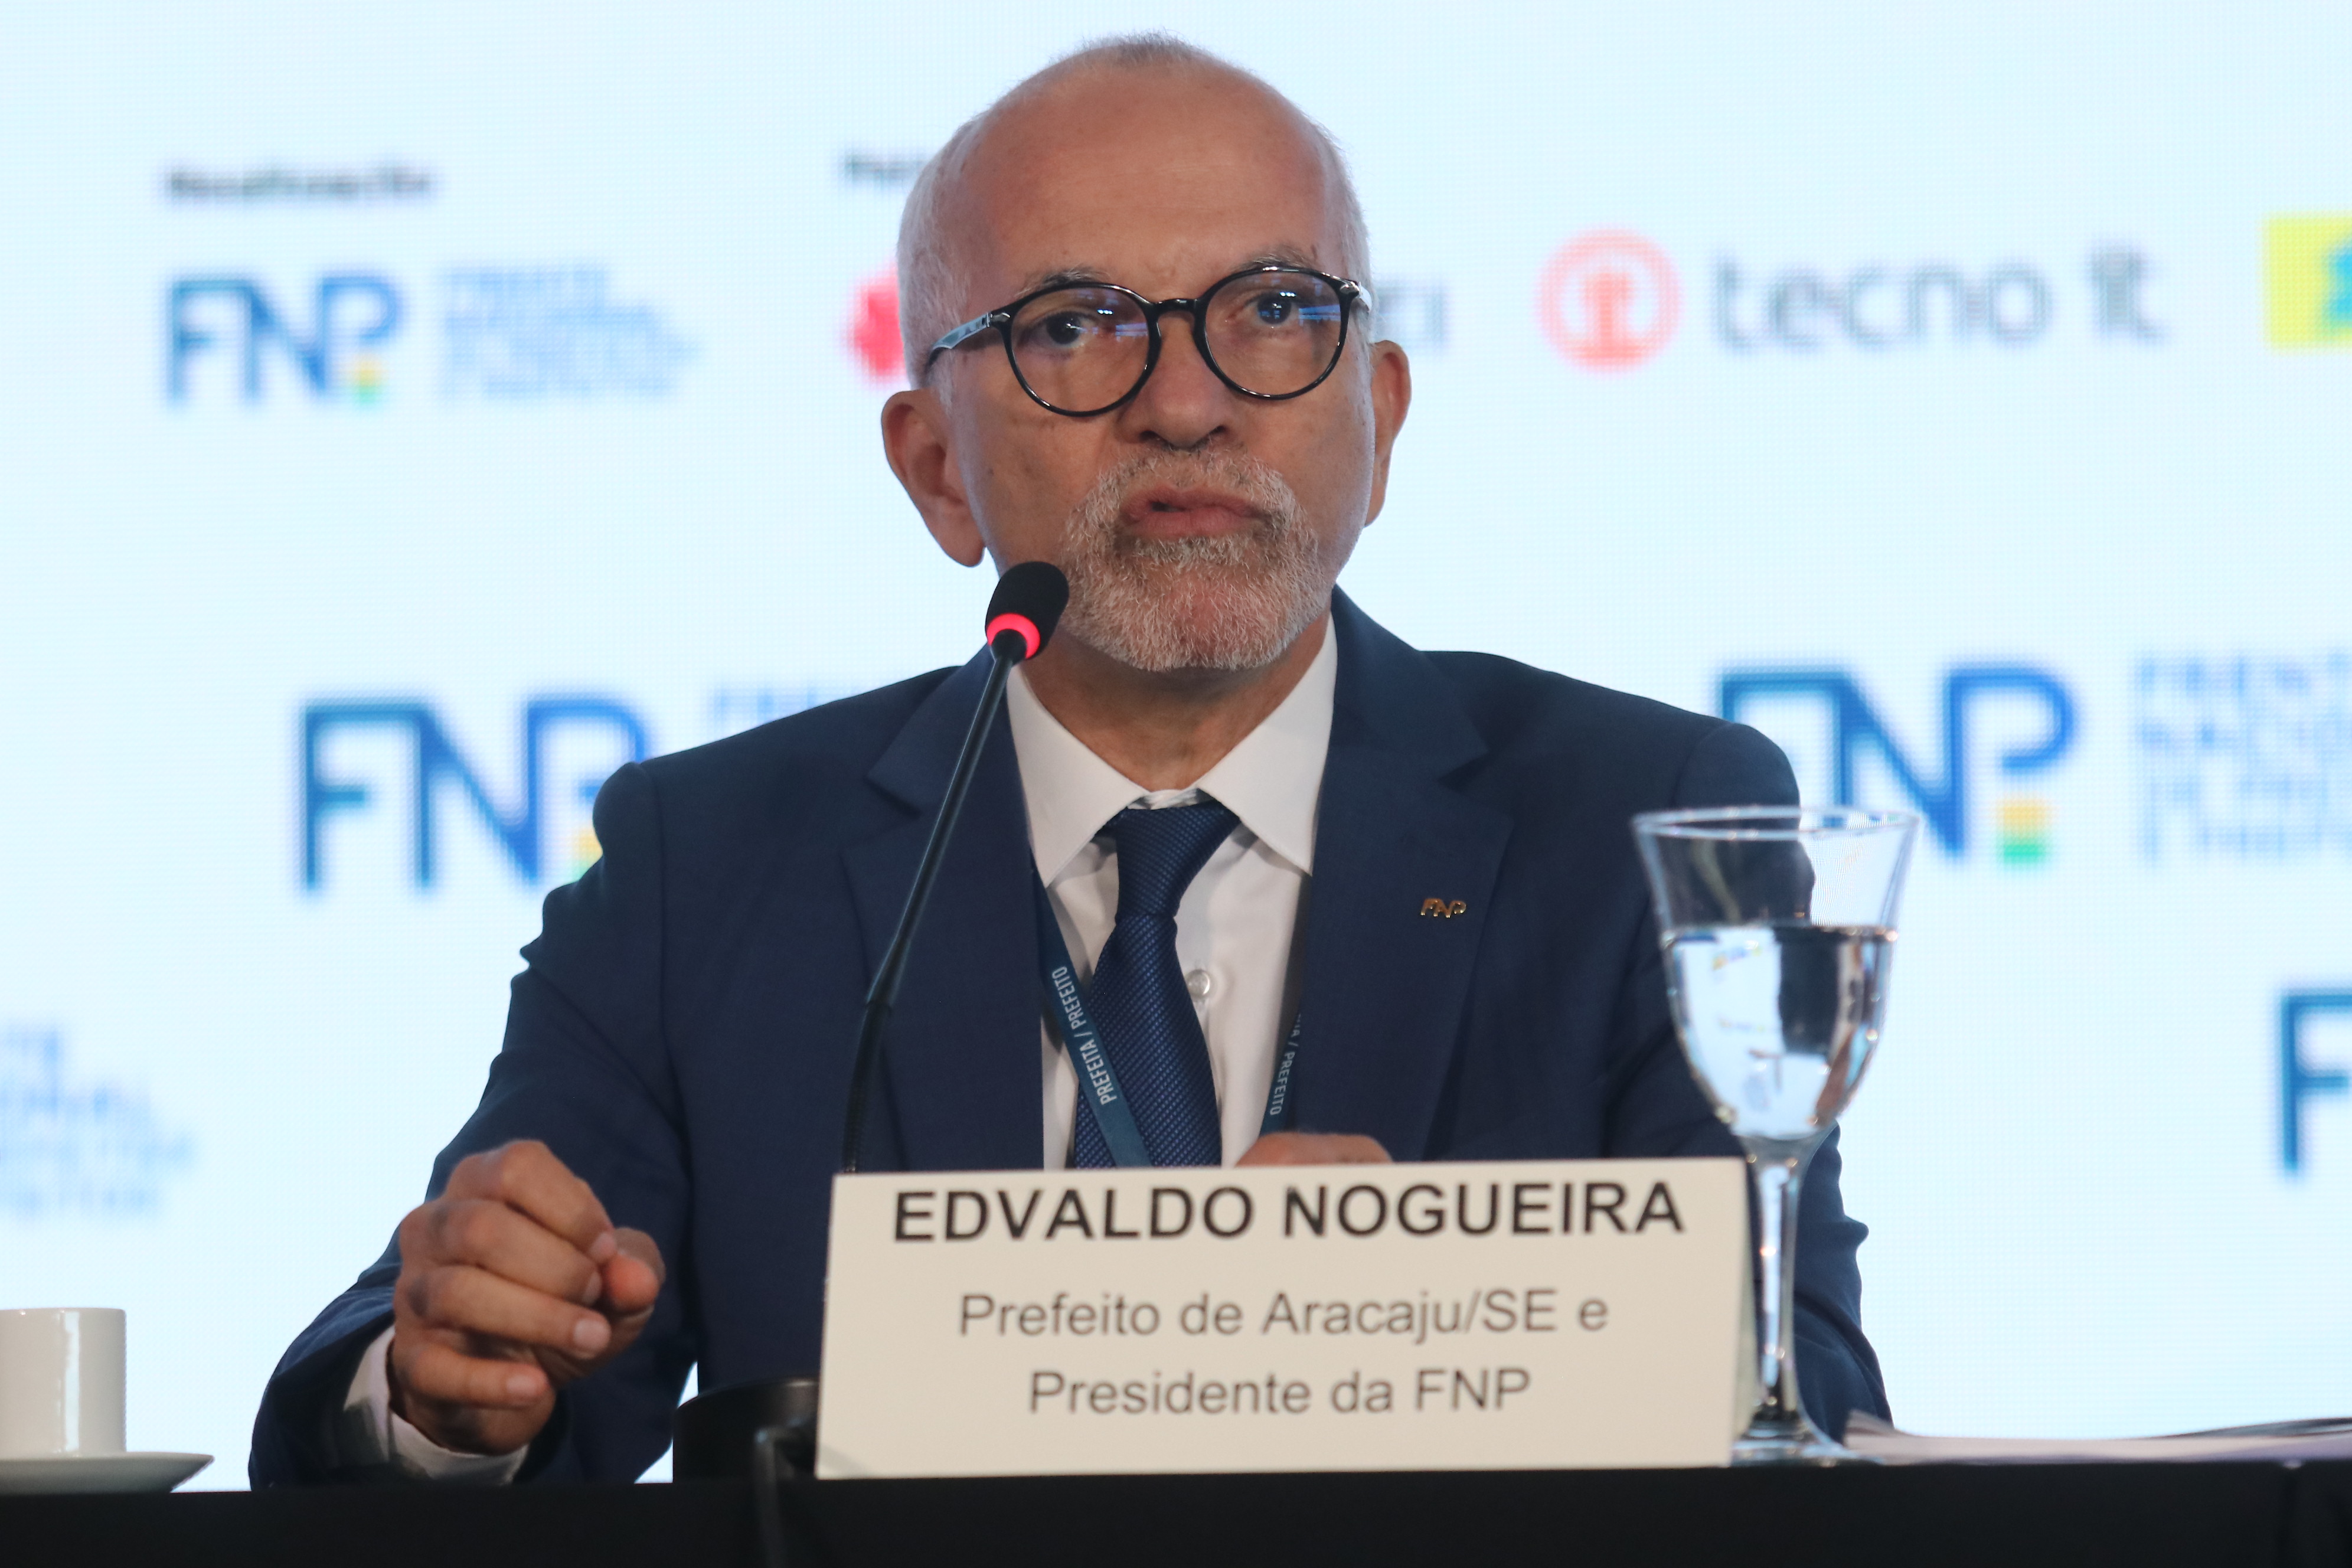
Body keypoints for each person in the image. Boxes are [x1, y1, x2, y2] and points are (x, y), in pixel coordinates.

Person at [251, 34, 1887, 1485]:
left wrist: (1437, 1330)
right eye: (1077, 326)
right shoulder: (715, 866)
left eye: (1274, 311)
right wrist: (447, 1389)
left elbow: (1797, 1394)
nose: (1186, 403)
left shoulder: (1636, 823)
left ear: (1379, 420)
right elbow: (445, 1373)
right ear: (934, 468)